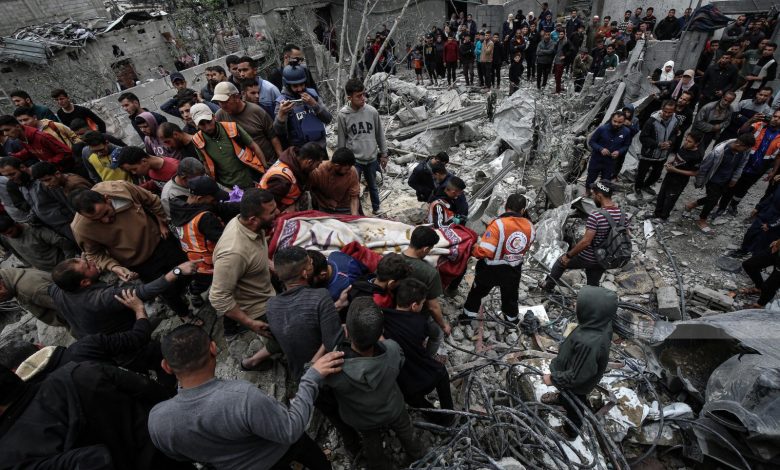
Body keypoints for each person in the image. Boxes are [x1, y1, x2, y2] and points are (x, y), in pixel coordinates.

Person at [147, 325, 343, 470]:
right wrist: (311, 378)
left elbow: (181, 456)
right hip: (285, 453)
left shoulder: (158, 421)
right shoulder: (242, 397)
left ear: (166, 366)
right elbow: (290, 430)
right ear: (213, 349)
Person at [0, 360, 186, 469]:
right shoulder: (79, 372)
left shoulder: (10, 457)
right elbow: (147, 388)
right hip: (165, 451)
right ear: (14, 373)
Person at [69, 181, 195, 322]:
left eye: (106, 213)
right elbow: (94, 254)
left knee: (187, 270)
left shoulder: (121, 189)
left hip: (160, 241)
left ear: (107, 199)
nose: (105, 220)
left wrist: (162, 222)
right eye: (97, 220)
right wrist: (115, 267)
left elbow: (152, 201)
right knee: (166, 290)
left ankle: (194, 292)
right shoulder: (81, 228)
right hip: (138, 262)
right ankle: (185, 315)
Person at [326, 299, 424, 470]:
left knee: (371, 441)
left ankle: (379, 465)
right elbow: (400, 361)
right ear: (381, 332)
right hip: (393, 407)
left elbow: (312, 375)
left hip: (363, 418)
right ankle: (417, 455)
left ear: (347, 332)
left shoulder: (335, 371)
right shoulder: (393, 349)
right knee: (405, 428)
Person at [209, 189, 280, 367]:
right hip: (258, 308)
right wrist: (250, 323)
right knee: (285, 337)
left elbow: (252, 255)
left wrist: (270, 265)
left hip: (266, 291)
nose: (278, 213)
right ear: (253, 219)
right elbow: (218, 297)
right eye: (272, 212)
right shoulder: (233, 253)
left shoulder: (247, 224)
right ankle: (250, 363)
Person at [543, 286, 617, 439]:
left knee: (574, 405)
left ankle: (571, 431)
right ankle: (562, 398)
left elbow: (576, 377)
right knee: (566, 395)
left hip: (576, 385)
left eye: (580, 303)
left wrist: (553, 378)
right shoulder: (599, 323)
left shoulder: (589, 343)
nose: (575, 304)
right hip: (574, 369)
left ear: (593, 311)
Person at [382, 278, 454, 424]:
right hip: (423, 376)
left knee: (416, 401)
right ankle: (449, 416)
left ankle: (433, 415)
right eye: (422, 303)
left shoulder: (384, 316)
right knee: (441, 373)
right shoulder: (419, 323)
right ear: (414, 306)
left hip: (403, 385)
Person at [266, 247, 342, 381]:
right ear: (305, 273)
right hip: (324, 374)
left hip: (296, 372)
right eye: (310, 262)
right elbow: (332, 344)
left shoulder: (271, 305)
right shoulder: (321, 296)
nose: (312, 263)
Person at [460, 193, 534, 324]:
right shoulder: (530, 226)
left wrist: (474, 249)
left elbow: (485, 251)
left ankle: (467, 318)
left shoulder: (498, 224)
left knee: (477, 293)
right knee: (510, 296)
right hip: (513, 269)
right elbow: (526, 247)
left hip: (490, 269)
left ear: (505, 206)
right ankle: (512, 321)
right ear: (523, 210)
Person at [543, 181, 627, 290]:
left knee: (560, 262)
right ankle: (591, 297)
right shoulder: (623, 215)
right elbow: (625, 235)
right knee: (593, 284)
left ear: (599, 196)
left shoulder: (596, 215)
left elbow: (586, 242)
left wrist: (568, 256)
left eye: (593, 195)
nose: (593, 197)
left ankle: (547, 286)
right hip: (605, 259)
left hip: (589, 257)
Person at [170, 175, 238, 305]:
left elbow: (219, 208)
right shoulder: (204, 218)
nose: (216, 201)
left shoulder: (180, 207)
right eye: (213, 198)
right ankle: (193, 293)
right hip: (207, 263)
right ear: (200, 198)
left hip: (193, 258)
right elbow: (225, 241)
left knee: (201, 280)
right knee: (206, 282)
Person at [684, 134, 756, 232]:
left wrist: (734, 179)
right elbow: (704, 167)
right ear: (739, 144)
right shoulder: (719, 151)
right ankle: (702, 220)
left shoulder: (744, 151)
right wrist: (699, 182)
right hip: (714, 180)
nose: (746, 151)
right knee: (713, 200)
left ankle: (691, 205)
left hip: (727, 180)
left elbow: (741, 165)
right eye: (745, 148)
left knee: (713, 198)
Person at [336, 79, 388, 215]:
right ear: (349, 98)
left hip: (371, 156)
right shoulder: (343, 115)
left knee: (373, 185)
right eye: (358, 96)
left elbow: (379, 134)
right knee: (354, 188)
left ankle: (376, 208)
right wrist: (341, 161)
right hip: (354, 160)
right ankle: (357, 213)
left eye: (363, 94)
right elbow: (341, 140)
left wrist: (384, 153)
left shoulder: (372, 112)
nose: (363, 98)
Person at [716, 108, 780, 217]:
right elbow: (741, 132)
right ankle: (722, 207)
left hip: (759, 168)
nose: (776, 119)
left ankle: (733, 205)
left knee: (744, 188)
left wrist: (773, 171)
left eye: (779, 118)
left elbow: (778, 156)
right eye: (775, 116)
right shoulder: (759, 125)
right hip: (743, 163)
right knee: (732, 185)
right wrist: (750, 120)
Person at [190, 103, 266, 189]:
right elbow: (206, 164)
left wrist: (265, 168)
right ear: (196, 125)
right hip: (227, 186)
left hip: (250, 178)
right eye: (202, 124)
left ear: (214, 117)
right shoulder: (197, 140)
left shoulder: (232, 127)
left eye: (209, 121)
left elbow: (253, 146)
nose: (207, 127)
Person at [402, 226, 451, 354]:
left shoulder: (392, 259)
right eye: (430, 249)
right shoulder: (430, 273)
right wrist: (443, 325)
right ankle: (428, 358)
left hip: (394, 311)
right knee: (437, 334)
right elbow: (433, 307)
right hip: (417, 317)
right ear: (425, 249)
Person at [213, 81, 281, 165]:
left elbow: (273, 137)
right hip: (245, 166)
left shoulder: (256, 111)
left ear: (237, 97)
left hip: (269, 162)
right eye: (220, 102)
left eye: (226, 101)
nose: (223, 105)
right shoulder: (219, 116)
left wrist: (281, 161)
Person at [274, 63, 332, 150]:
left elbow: (328, 119)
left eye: (302, 84)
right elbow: (279, 133)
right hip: (301, 151)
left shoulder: (313, 94)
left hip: (320, 147)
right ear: (287, 85)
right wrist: (281, 115)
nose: (300, 89)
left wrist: (314, 105)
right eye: (295, 86)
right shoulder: (282, 102)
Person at [259, 142, 324, 212]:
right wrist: (291, 209)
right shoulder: (282, 180)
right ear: (309, 162)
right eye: (317, 164)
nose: (317, 167)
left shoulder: (294, 160)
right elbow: (270, 208)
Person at [652, 133, 704, 221]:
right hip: (670, 175)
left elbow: (694, 173)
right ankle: (656, 214)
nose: (686, 142)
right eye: (686, 139)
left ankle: (663, 217)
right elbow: (677, 158)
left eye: (689, 141)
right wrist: (670, 163)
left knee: (670, 199)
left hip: (679, 181)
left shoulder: (697, 156)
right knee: (661, 195)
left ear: (696, 144)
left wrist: (675, 170)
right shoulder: (684, 147)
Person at [0, 213, 76, 271]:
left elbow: (66, 244)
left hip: (62, 266)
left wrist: (68, 264)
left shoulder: (35, 230)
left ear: (15, 224)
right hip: (44, 272)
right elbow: (17, 253)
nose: (9, 236)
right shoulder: (6, 238)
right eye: (5, 234)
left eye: (10, 232)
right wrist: (29, 266)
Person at [635, 100, 680, 199]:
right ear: (662, 109)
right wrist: (658, 144)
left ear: (674, 111)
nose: (667, 114)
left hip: (663, 154)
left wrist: (670, 142)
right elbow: (643, 137)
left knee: (656, 174)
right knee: (642, 172)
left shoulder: (675, 120)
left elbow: (675, 134)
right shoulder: (651, 121)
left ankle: (646, 185)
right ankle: (637, 188)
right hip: (648, 153)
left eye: (670, 112)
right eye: (665, 111)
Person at [0, 115, 74, 171]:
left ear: (17, 127)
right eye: (3, 131)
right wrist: (11, 157)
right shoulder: (22, 139)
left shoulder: (41, 137)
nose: (5, 134)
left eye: (7, 130)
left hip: (69, 170)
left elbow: (66, 153)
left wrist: (46, 164)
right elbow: (29, 151)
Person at [585, 112, 631, 195]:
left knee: (606, 180)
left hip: (611, 161)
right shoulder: (602, 129)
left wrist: (619, 151)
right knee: (591, 177)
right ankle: (587, 192)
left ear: (624, 122)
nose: (616, 124)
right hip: (597, 159)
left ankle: (601, 195)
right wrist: (601, 149)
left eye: (619, 122)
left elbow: (626, 145)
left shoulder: (626, 132)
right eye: (615, 121)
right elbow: (592, 142)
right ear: (611, 119)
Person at [309, 147, 360, 214]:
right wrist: (326, 201)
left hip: (346, 209)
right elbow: (312, 189)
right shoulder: (319, 170)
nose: (348, 171)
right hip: (325, 208)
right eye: (346, 169)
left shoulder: (352, 171)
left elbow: (354, 197)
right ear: (337, 166)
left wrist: (354, 216)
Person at [114, 146, 179, 194]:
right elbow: (157, 182)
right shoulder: (150, 168)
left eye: (134, 169)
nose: (133, 173)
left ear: (144, 161)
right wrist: (137, 188)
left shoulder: (175, 169)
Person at [13, 106, 80, 149]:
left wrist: (76, 151)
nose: (23, 123)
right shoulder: (26, 135)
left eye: (26, 120)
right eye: (20, 121)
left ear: (34, 117)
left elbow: (74, 136)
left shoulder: (53, 125)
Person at [742, 238, 780, 308]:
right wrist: (777, 243)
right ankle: (759, 287)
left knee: (770, 285)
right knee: (749, 265)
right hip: (777, 248)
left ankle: (760, 304)